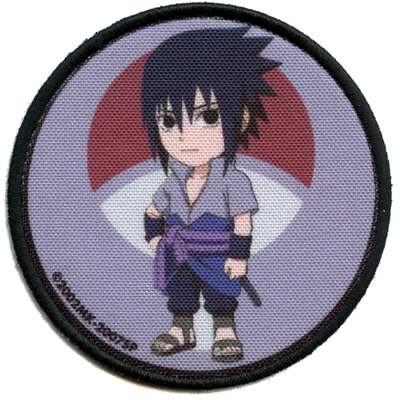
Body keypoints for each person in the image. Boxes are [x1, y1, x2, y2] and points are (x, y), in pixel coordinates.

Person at [141, 27, 280, 362]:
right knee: (180, 292)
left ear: (240, 118)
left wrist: (239, 257)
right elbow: (152, 212)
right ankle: (182, 328)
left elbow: (242, 223)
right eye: (169, 120)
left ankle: (224, 329)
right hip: (178, 253)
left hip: (218, 252)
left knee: (220, 291)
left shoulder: (233, 180)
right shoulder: (172, 181)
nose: (185, 137)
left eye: (208, 116)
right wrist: (155, 240)